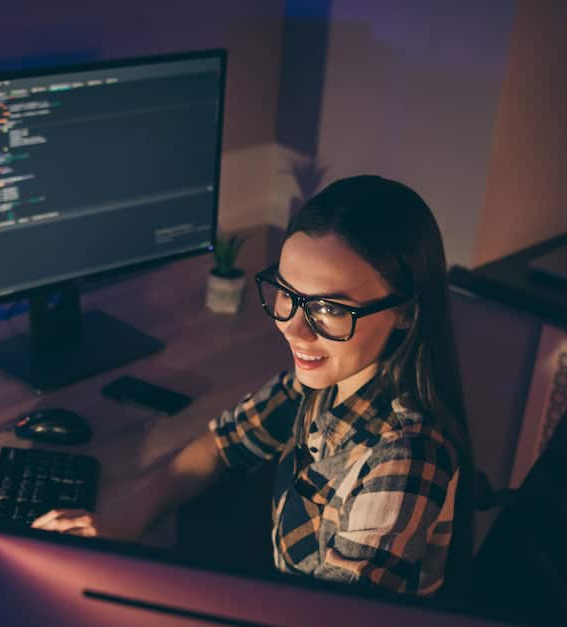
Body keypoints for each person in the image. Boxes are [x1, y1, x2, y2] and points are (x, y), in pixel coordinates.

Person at [34, 175, 472, 598]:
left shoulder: (405, 460)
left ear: (406, 315)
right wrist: (119, 521)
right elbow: (220, 445)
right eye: (287, 293)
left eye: (329, 308)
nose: (294, 329)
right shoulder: (319, 385)